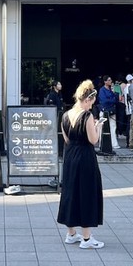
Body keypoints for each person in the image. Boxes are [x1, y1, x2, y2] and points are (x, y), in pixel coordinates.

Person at [57, 80, 105, 249]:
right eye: (92, 102)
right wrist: (98, 127)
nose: (92, 106)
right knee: (86, 192)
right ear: (87, 99)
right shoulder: (87, 116)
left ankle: (71, 233)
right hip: (85, 157)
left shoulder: (65, 115)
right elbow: (93, 140)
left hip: (70, 156)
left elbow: (67, 139)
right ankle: (86, 238)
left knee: (70, 192)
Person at [97, 75, 120, 150]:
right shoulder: (102, 90)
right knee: (101, 127)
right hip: (104, 111)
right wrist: (112, 99)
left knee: (113, 127)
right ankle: (101, 143)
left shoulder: (111, 89)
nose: (111, 82)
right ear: (105, 81)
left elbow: (116, 99)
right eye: (109, 80)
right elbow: (104, 101)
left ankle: (114, 143)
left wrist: (114, 93)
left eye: (111, 80)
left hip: (112, 111)